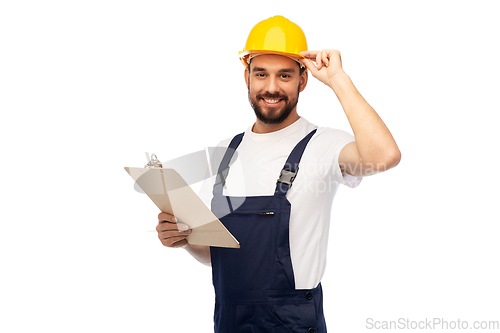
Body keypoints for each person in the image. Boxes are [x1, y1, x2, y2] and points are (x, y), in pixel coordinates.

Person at [156, 15, 400, 333]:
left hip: (294, 323)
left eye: (284, 75)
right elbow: (216, 254)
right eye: (261, 74)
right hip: (229, 321)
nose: (271, 87)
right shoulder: (226, 152)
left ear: (303, 79)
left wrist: (338, 79)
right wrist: (184, 238)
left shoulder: (324, 144)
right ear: (247, 77)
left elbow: (385, 156)